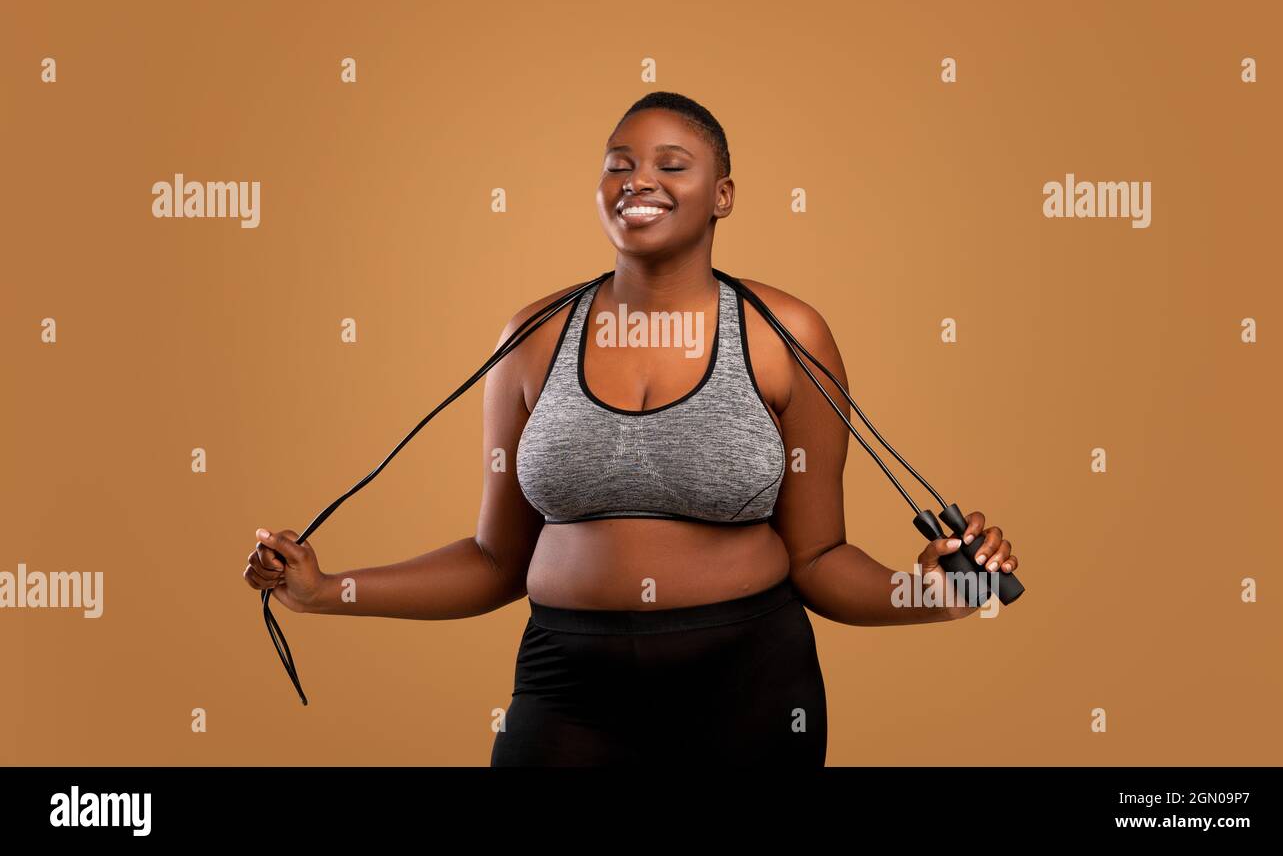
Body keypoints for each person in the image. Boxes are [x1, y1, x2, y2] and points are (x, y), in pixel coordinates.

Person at [242, 91, 1021, 766]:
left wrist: (925, 594)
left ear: (722, 195)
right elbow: (493, 560)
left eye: (671, 164)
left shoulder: (786, 335)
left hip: (750, 688)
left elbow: (817, 558)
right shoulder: (534, 336)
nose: (638, 179)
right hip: (566, 691)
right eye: (618, 163)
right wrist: (322, 591)